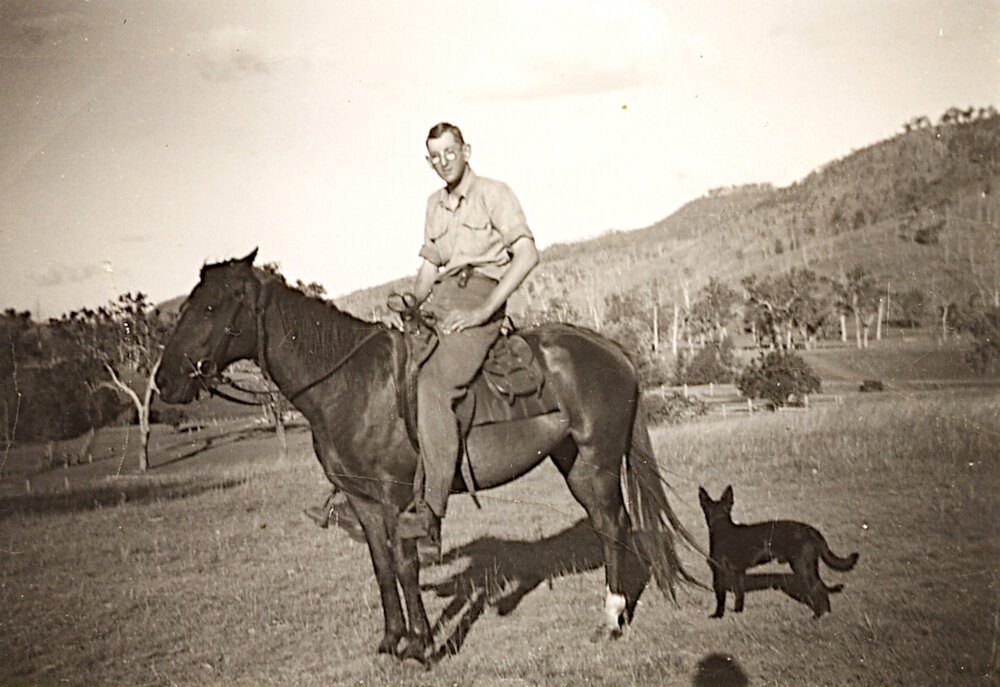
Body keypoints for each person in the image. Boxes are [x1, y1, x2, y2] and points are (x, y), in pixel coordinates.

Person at [395, 122, 539, 554]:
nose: (443, 162)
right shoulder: (433, 205)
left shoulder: (495, 193)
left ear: (466, 150)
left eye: (449, 152)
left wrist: (483, 310)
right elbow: (428, 270)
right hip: (440, 299)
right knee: (390, 372)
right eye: (434, 157)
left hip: (480, 299)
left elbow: (528, 254)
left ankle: (430, 513)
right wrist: (410, 301)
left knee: (435, 386)